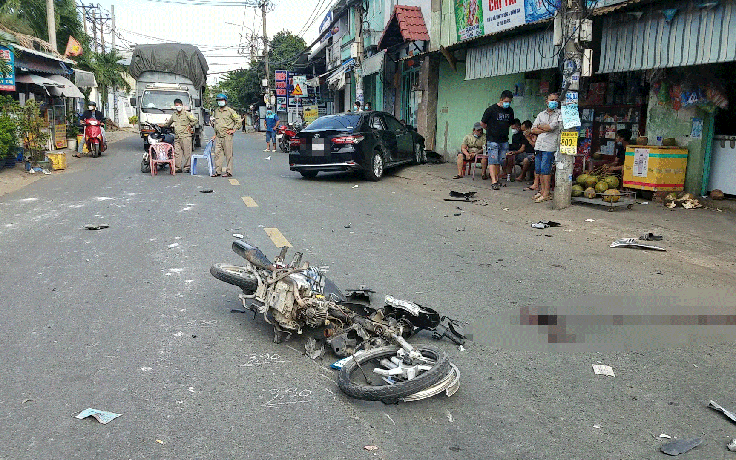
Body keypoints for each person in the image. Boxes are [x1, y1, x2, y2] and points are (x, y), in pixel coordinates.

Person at [529, 93, 562, 203]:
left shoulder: (559, 114)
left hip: (549, 146)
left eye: (556, 100)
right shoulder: (541, 114)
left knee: (546, 170)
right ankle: (542, 191)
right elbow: (533, 130)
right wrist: (544, 129)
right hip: (539, 145)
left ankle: (546, 193)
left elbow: (551, 127)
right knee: (539, 170)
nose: (554, 102)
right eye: (551, 100)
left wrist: (541, 127)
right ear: (547, 101)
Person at [481, 89, 514, 188]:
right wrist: (490, 130)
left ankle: (497, 178)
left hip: (504, 140)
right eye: (506, 101)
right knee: (493, 160)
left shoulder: (510, 111)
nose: (507, 103)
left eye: (509, 102)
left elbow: (510, 123)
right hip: (492, 139)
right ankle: (494, 181)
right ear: (501, 99)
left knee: (500, 161)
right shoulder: (491, 109)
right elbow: (482, 123)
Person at [160, 98, 197, 173]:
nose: (178, 107)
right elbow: (168, 124)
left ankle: (187, 167)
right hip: (177, 137)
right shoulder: (174, 115)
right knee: (177, 152)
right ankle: (178, 167)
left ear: (182, 105)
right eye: (176, 105)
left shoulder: (187, 114)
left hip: (185, 136)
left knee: (187, 152)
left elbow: (195, 120)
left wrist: (190, 125)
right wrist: (162, 125)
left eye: (179, 105)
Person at [211, 93, 242, 178]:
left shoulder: (230, 111)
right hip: (219, 136)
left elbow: (238, 121)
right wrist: (215, 134)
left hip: (227, 135)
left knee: (228, 154)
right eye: (219, 100)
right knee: (217, 154)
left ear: (225, 101)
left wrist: (234, 130)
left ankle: (229, 171)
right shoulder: (216, 111)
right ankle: (218, 171)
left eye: (222, 100)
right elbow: (216, 124)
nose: (220, 102)